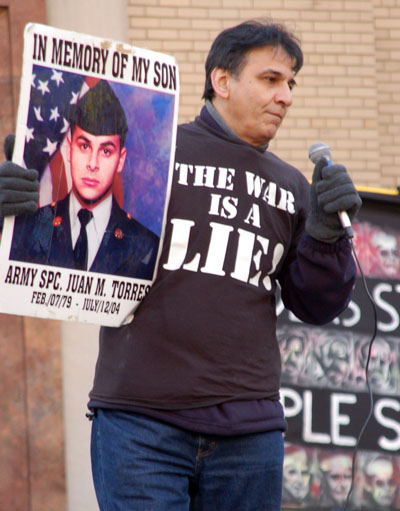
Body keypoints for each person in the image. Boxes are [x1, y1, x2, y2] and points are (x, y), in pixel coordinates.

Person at [0, 20, 361, 511]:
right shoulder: (150, 155)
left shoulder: (294, 186)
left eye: (291, 84)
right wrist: (24, 201)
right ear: (222, 80)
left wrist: (326, 236)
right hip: (140, 425)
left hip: (249, 433)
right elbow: (66, 226)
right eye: (271, 79)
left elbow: (315, 304)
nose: (286, 97)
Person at [9, 79, 159, 279]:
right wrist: (6, 229)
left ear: (120, 160)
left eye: (106, 150)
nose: (92, 163)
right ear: (69, 148)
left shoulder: (147, 246)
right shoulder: (28, 228)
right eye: (84, 146)